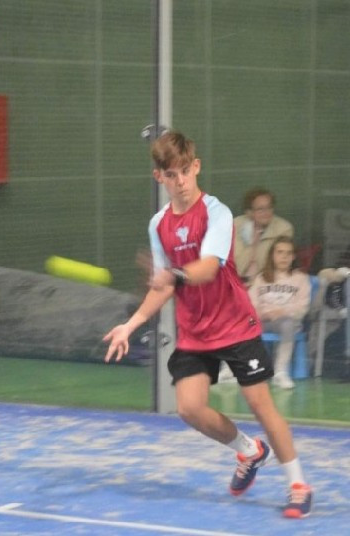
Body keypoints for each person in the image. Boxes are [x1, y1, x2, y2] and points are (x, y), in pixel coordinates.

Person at [103, 130, 312, 518]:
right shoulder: (159, 225)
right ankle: (250, 451)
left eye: (185, 171)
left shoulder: (216, 212)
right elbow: (163, 286)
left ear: (196, 167)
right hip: (195, 331)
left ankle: (298, 484)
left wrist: (173, 275)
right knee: (189, 408)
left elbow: (208, 268)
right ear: (159, 177)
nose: (180, 181)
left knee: (260, 405)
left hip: (235, 325)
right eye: (171, 175)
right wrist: (130, 325)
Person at [248, 236, 312, 389]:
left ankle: (280, 372)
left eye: (288, 253)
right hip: (262, 320)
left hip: (287, 321)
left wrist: (283, 312)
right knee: (240, 323)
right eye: (280, 252)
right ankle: (230, 370)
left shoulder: (300, 279)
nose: (284, 257)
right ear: (272, 255)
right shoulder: (261, 278)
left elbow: (302, 308)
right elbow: (251, 304)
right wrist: (263, 314)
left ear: (293, 257)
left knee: (287, 324)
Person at [234, 188, 293, 287]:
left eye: (269, 207)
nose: (266, 213)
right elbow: (237, 267)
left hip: (267, 284)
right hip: (237, 283)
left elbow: (274, 266)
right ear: (249, 212)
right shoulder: (235, 226)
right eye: (260, 209)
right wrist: (252, 242)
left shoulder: (283, 229)